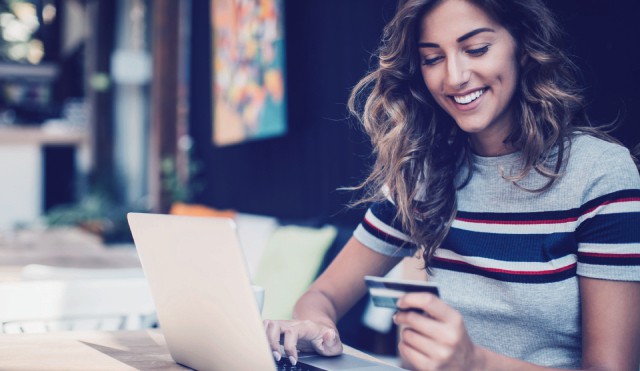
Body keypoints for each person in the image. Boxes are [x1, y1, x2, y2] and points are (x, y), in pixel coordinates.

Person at [263, 0, 640, 369]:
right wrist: (318, 325)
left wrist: (475, 362)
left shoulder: (600, 173)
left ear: (523, 47)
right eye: (432, 58)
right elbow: (322, 295)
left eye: (476, 49)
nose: (454, 77)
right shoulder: (424, 174)